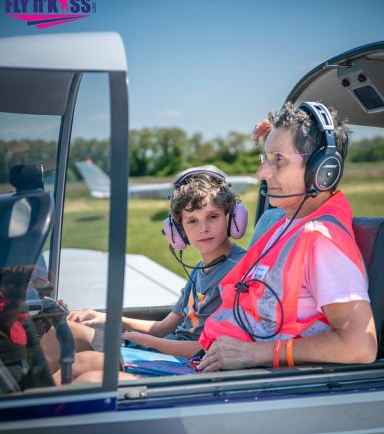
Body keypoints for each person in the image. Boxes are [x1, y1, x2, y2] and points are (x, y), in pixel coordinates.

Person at [197, 101, 377, 373]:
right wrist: (276, 141)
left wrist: (252, 353)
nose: (262, 173)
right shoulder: (287, 223)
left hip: (255, 385)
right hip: (218, 365)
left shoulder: (322, 241)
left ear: (323, 171)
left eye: (278, 160)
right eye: (266, 159)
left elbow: (360, 346)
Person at [42, 170, 246, 381]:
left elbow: (214, 348)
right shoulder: (200, 270)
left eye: (212, 217)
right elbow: (162, 327)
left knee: (83, 364)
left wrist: (149, 342)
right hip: (168, 347)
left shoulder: (240, 269)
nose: (203, 228)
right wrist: (105, 318)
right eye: (192, 221)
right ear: (178, 231)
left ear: (231, 218)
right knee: (64, 331)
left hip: (193, 362)